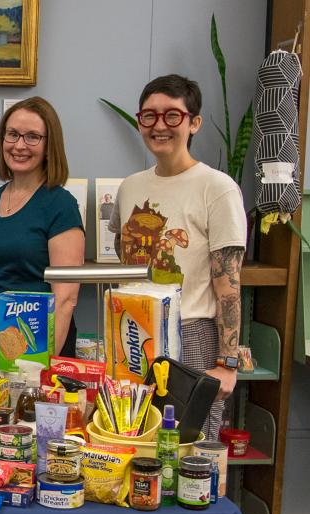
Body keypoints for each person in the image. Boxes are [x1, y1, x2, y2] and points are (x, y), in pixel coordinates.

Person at [108, 74, 246, 441]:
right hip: (135, 328)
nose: (159, 125)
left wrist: (227, 363)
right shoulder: (130, 186)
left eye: (172, 115)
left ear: (193, 122)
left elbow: (229, 284)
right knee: (133, 434)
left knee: (192, 441)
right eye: (149, 116)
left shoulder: (217, 187)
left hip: (192, 330)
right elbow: (126, 255)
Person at [0, 97, 84, 357]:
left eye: (32, 137)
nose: (19, 145)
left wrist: (42, 364)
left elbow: (65, 299)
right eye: (13, 134)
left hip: (38, 334)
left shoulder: (61, 204)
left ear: (50, 145)